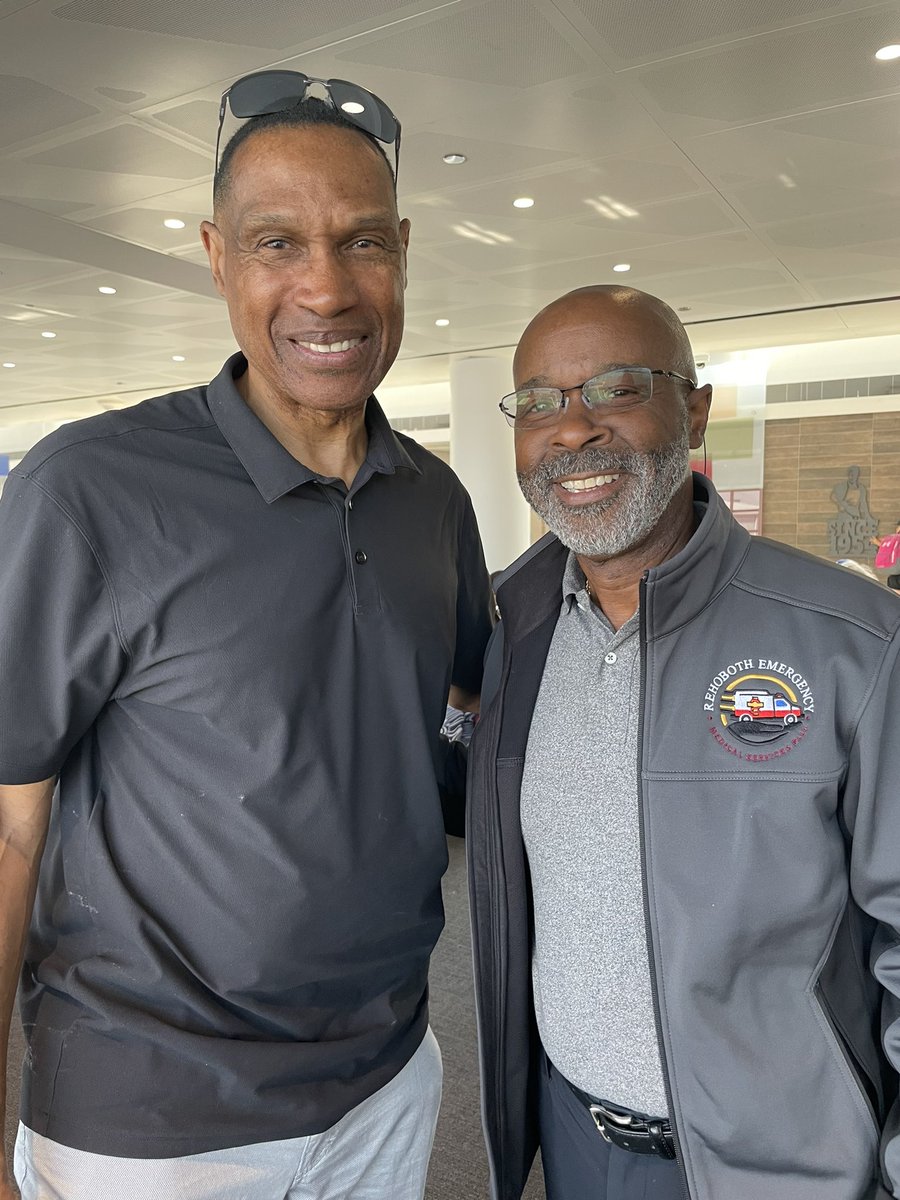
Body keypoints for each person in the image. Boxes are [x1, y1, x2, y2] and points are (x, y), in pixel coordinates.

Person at [0, 72, 493, 1200]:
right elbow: (10, 836)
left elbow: (479, 714)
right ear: (218, 257)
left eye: (363, 241)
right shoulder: (92, 488)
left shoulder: (435, 501)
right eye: (278, 243)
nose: (326, 287)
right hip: (151, 1116)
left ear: (405, 251)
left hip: (388, 1078)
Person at [466, 284, 900, 1200]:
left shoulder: (851, 642)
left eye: (617, 387)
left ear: (693, 411)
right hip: (573, 1139)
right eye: (538, 402)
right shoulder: (516, 625)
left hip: (787, 1168)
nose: (572, 430)